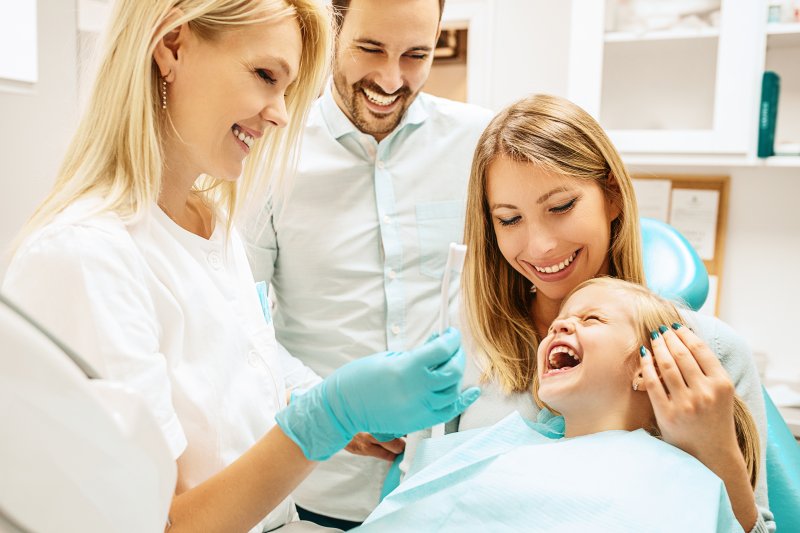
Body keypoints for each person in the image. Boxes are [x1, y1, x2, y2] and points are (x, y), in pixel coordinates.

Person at [0, 2, 479, 532]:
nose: (280, 113)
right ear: (173, 46)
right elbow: (158, 524)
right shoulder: (83, 258)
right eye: (265, 76)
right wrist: (325, 418)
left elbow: (240, 382)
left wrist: (338, 407)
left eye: (287, 89)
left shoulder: (210, 221)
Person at [457, 94, 775, 532]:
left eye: (561, 207)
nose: (541, 245)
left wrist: (715, 448)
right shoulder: (464, 349)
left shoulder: (707, 352)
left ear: (611, 195)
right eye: (510, 219)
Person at [243, 0, 493, 526]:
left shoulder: (481, 144)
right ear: (333, 30)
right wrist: (330, 407)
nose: (390, 77)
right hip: (322, 487)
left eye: (415, 55)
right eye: (370, 48)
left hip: (452, 484)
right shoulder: (268, 151)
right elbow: (239, 324)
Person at [356, 278, 761, 532]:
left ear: (650, 366)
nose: (561, 326)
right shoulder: (503, 446)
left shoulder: (685, 476)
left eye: (592, 320)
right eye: (557, 324)